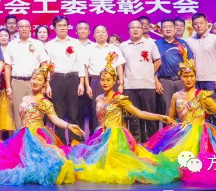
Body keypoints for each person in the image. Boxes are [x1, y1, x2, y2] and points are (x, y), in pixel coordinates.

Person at [68, 52, 178, 184]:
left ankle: (153, 165)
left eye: (108, 80)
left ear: (115, 80)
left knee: (124, 163)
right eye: (103, 80)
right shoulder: (98, 98)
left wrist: (160, 116)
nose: (105, 82)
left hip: (116, 137)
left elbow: (139, 113)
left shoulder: (119, 99)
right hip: (101, 135)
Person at [145, 47, 216, 185]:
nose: (188, 79)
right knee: (169, 161)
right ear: (180, 77)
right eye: (185, 76)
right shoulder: (176, 96)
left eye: (191, 76)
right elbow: (171, 119)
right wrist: (171, 133)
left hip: (200, 134)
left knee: (200, 164)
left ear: (195, 76)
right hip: (181, 132)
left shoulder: (202, 95)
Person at [0, 64, 84, 186]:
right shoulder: (25, 98)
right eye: (34, 78)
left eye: (39, 80)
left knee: (38, 164)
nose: (35, 82)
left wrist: (68, 126)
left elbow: (55, 119)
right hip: (22, 134)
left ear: (45, 83)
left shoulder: (44, 102)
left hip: (37, 137)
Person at [44, 15, 85, 144]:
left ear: (68, 27)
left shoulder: (76, 43)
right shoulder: (49, 45)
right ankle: (60, 142)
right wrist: (47, 84)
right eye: (59, 25)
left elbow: (81, 63)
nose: (62, 28)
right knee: (58, 113)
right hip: (56, 79)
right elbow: (47, 66)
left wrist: (81, 83)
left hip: (73, 78)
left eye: (64, 25)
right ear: (54, 28)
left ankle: (75, 141)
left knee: (74, 112)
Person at [118, 20, 161, 143]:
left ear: (142, 30)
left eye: (138, 27)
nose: (135, 30)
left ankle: (153, 143)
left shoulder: (151, 44)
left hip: (148, 85)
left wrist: (149, 73)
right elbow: (120, 65)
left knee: (150, 116)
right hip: (129, 86)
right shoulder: (123, 46)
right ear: (129, 30)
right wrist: (121, 83)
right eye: (132, 28)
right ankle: (136, 143)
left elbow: (158, 61)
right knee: (133, 118)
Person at [185, 12, 216, 136]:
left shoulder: (215, 39)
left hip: (212, 81)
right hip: (196, 82)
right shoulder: (189, 41)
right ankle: (207, 141)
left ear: (207, 24)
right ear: (192, 26)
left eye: (201, 23)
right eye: (195, 24)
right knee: (201, 114)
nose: (198, 26)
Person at [4, 19, 49, 129]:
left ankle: (35, 138)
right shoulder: (11, 45)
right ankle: (21, 139)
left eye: (26, 26)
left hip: (35, 82)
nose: (24, 29)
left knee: (36, 114)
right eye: (21, 26)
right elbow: (8, 67)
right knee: (19, 114)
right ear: (17, 29)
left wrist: (45, 84)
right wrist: (8, 87)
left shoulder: (37, 44)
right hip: (17, 82)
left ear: (30, 28)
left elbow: (44, 64)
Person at [84, 25, 126, 131]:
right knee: (96, 111)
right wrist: (87, 86)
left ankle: (112, 135)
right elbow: (85, 68)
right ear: (93, 35)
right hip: (95, 81)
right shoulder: (89, 49)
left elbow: (119, 66)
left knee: (113, 109)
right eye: (98, 32)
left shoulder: (114, 48)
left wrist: (121, 83)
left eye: (103, 32)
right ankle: (96, 136)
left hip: (112, 81)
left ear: (107, 34)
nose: (101, 34)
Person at [155, 18, 194, 118]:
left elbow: (191, 61)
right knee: (167, 111)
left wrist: (190, 78)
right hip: (165, 82)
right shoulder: (156, 44)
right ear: (161, 30)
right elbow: (152, 65)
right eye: (165, 27)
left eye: (170, 26)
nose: (168, 29)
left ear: (174, 28)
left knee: (184, 110)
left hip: (181, 81)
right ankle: (168, 129)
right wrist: (156, 81)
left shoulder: (182, 43)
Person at [75, 21, 95, 133]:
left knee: (93, 108)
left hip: (91, 80)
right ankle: (79, 135)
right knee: (78, 109)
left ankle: (93, 135)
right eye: (80, 29)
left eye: (85, 29)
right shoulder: (73, 44)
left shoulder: (94, 46)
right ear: (76, 31)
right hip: (76, 79)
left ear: (89, 31)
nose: (83, 31)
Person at [0, 28, 15, 141]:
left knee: (10, 112)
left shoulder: (13, 49)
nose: (3, 37)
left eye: (5, 36)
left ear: (9, 37)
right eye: (1, 35)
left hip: (11, 85)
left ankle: (11, 138)